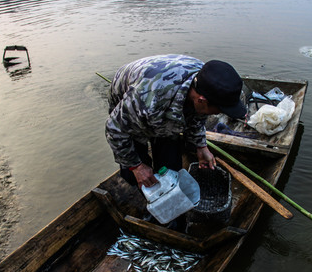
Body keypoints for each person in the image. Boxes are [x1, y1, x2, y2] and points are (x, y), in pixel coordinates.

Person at [105, 54, 246, 190]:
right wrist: (137, 167)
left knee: (170, 163)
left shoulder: (208, 84)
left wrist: (201, 146)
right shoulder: (148, 99)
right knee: (135, 170)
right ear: (201, 100)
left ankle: (168, 191)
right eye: (218, 110)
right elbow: (114, 129)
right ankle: (147, 195)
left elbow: (197, 116)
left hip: (166, 96)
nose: (218, 114)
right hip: (134, 96)